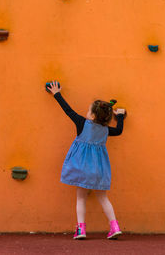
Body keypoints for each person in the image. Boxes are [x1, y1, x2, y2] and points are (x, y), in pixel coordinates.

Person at [47, 80, 126, 240]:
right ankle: (114, 226)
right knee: (103, 198)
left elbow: (68, 110)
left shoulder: (82, 123)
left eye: (89, 110)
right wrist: (121, 117)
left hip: (81, 168)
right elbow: (118, 131)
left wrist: (57, 94)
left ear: (93, 115)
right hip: (98, 169)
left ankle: (81, 230)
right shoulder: (105, 130)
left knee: (81, 198)